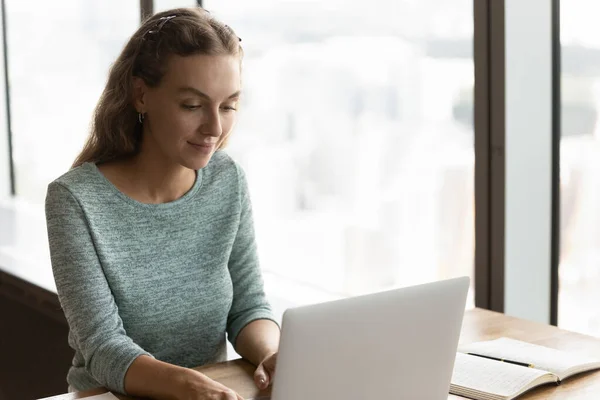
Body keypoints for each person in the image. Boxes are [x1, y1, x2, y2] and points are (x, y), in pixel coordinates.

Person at [44, 7, 280, 400]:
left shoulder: (227, 180)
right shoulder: (75, 201)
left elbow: (248, 306)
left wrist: (272, 355)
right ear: (141, 95)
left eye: (228, 106)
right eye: (192, 105)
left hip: (216, 392)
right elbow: (102, 347)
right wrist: (189, 385)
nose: (215, 128)